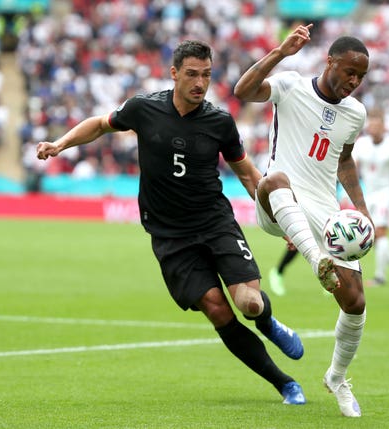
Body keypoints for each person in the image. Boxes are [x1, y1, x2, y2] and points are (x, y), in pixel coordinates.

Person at [36, 40, 307, 405]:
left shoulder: (219, 121)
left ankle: (268, 323)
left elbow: (247, 174)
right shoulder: (143, 109)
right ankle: (285, 383)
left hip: (214, 222)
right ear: (174, 73)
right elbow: (100, 125)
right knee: (215, 306)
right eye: (192, 74)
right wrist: (60, 143)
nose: (200, 83)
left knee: (250, 304)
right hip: (170, 234)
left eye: (207, 75)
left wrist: (285, 221)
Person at [234, 24, 371, 417]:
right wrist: (280, 52)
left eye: (360, 76)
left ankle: (337, 378)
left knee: (355, 302)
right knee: (273, 179)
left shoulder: (356, 113)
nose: (354, 81)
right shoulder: (292, 84)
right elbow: (243, 92)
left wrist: (359, 208)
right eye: (349, 71)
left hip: (324, 210)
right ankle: (316, 262)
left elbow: (344, 160)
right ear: (331, 61)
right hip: (278, 198)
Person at [352, 107, 389, 287]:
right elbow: (351, 165)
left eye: (377, 126)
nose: (374, 129)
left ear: (383, 127)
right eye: (371, 126)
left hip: (386, 193)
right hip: (367, 193)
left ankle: (380, 277)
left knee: (381, 232)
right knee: (372, 236)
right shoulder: (361, 144)